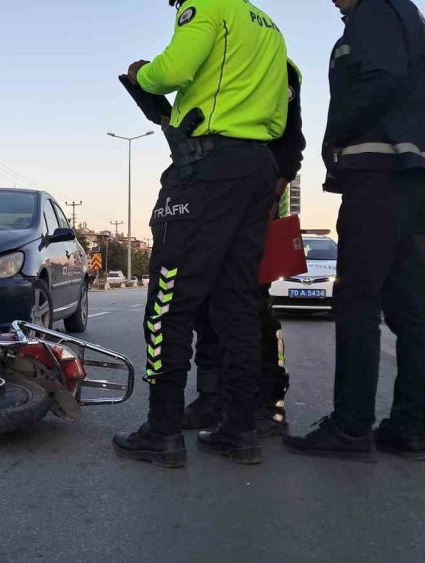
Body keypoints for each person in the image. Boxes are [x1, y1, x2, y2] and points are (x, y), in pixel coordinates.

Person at [113, 0, 288, 467]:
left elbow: (173, 70)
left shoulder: (206, 3)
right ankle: (238, 429)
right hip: (257, 168)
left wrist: (141, 74)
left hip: (207, 168)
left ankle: (163, 429)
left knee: (168, 300)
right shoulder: (268, 25)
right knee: (237, 303)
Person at [284, 0, 425, 462]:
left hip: (381, 172)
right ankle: (410, 428)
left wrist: (333, 135)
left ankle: (351, 427)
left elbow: (381, 80)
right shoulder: (418, 22)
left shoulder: (375, 10)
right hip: (419, 173)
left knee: (357, 301)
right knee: (412, 308)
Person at [185, 59, 306, 438]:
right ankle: (212, 396)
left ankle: (268, 402)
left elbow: (290, 141)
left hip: (257, 205)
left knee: (250, 306)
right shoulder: (206, 57)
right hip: (209, 200)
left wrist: (273, 193)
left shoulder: (276, 63)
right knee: (205, 304)